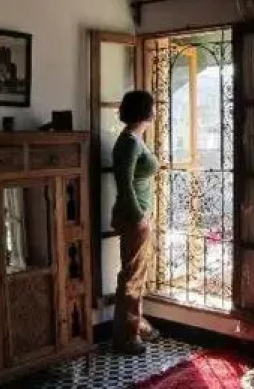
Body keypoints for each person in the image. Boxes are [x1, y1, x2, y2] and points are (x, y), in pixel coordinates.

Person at [111, 90, 161, 354]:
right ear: (145, 111)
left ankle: (137, 326)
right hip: (134, 217)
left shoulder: (134, 139)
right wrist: (139, 216)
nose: (156, 110)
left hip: (138, 215)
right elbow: (124, 184)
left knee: (136, 274)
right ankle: (127, 336)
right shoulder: (130, 142)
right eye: (153, 106)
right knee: (132, 276)